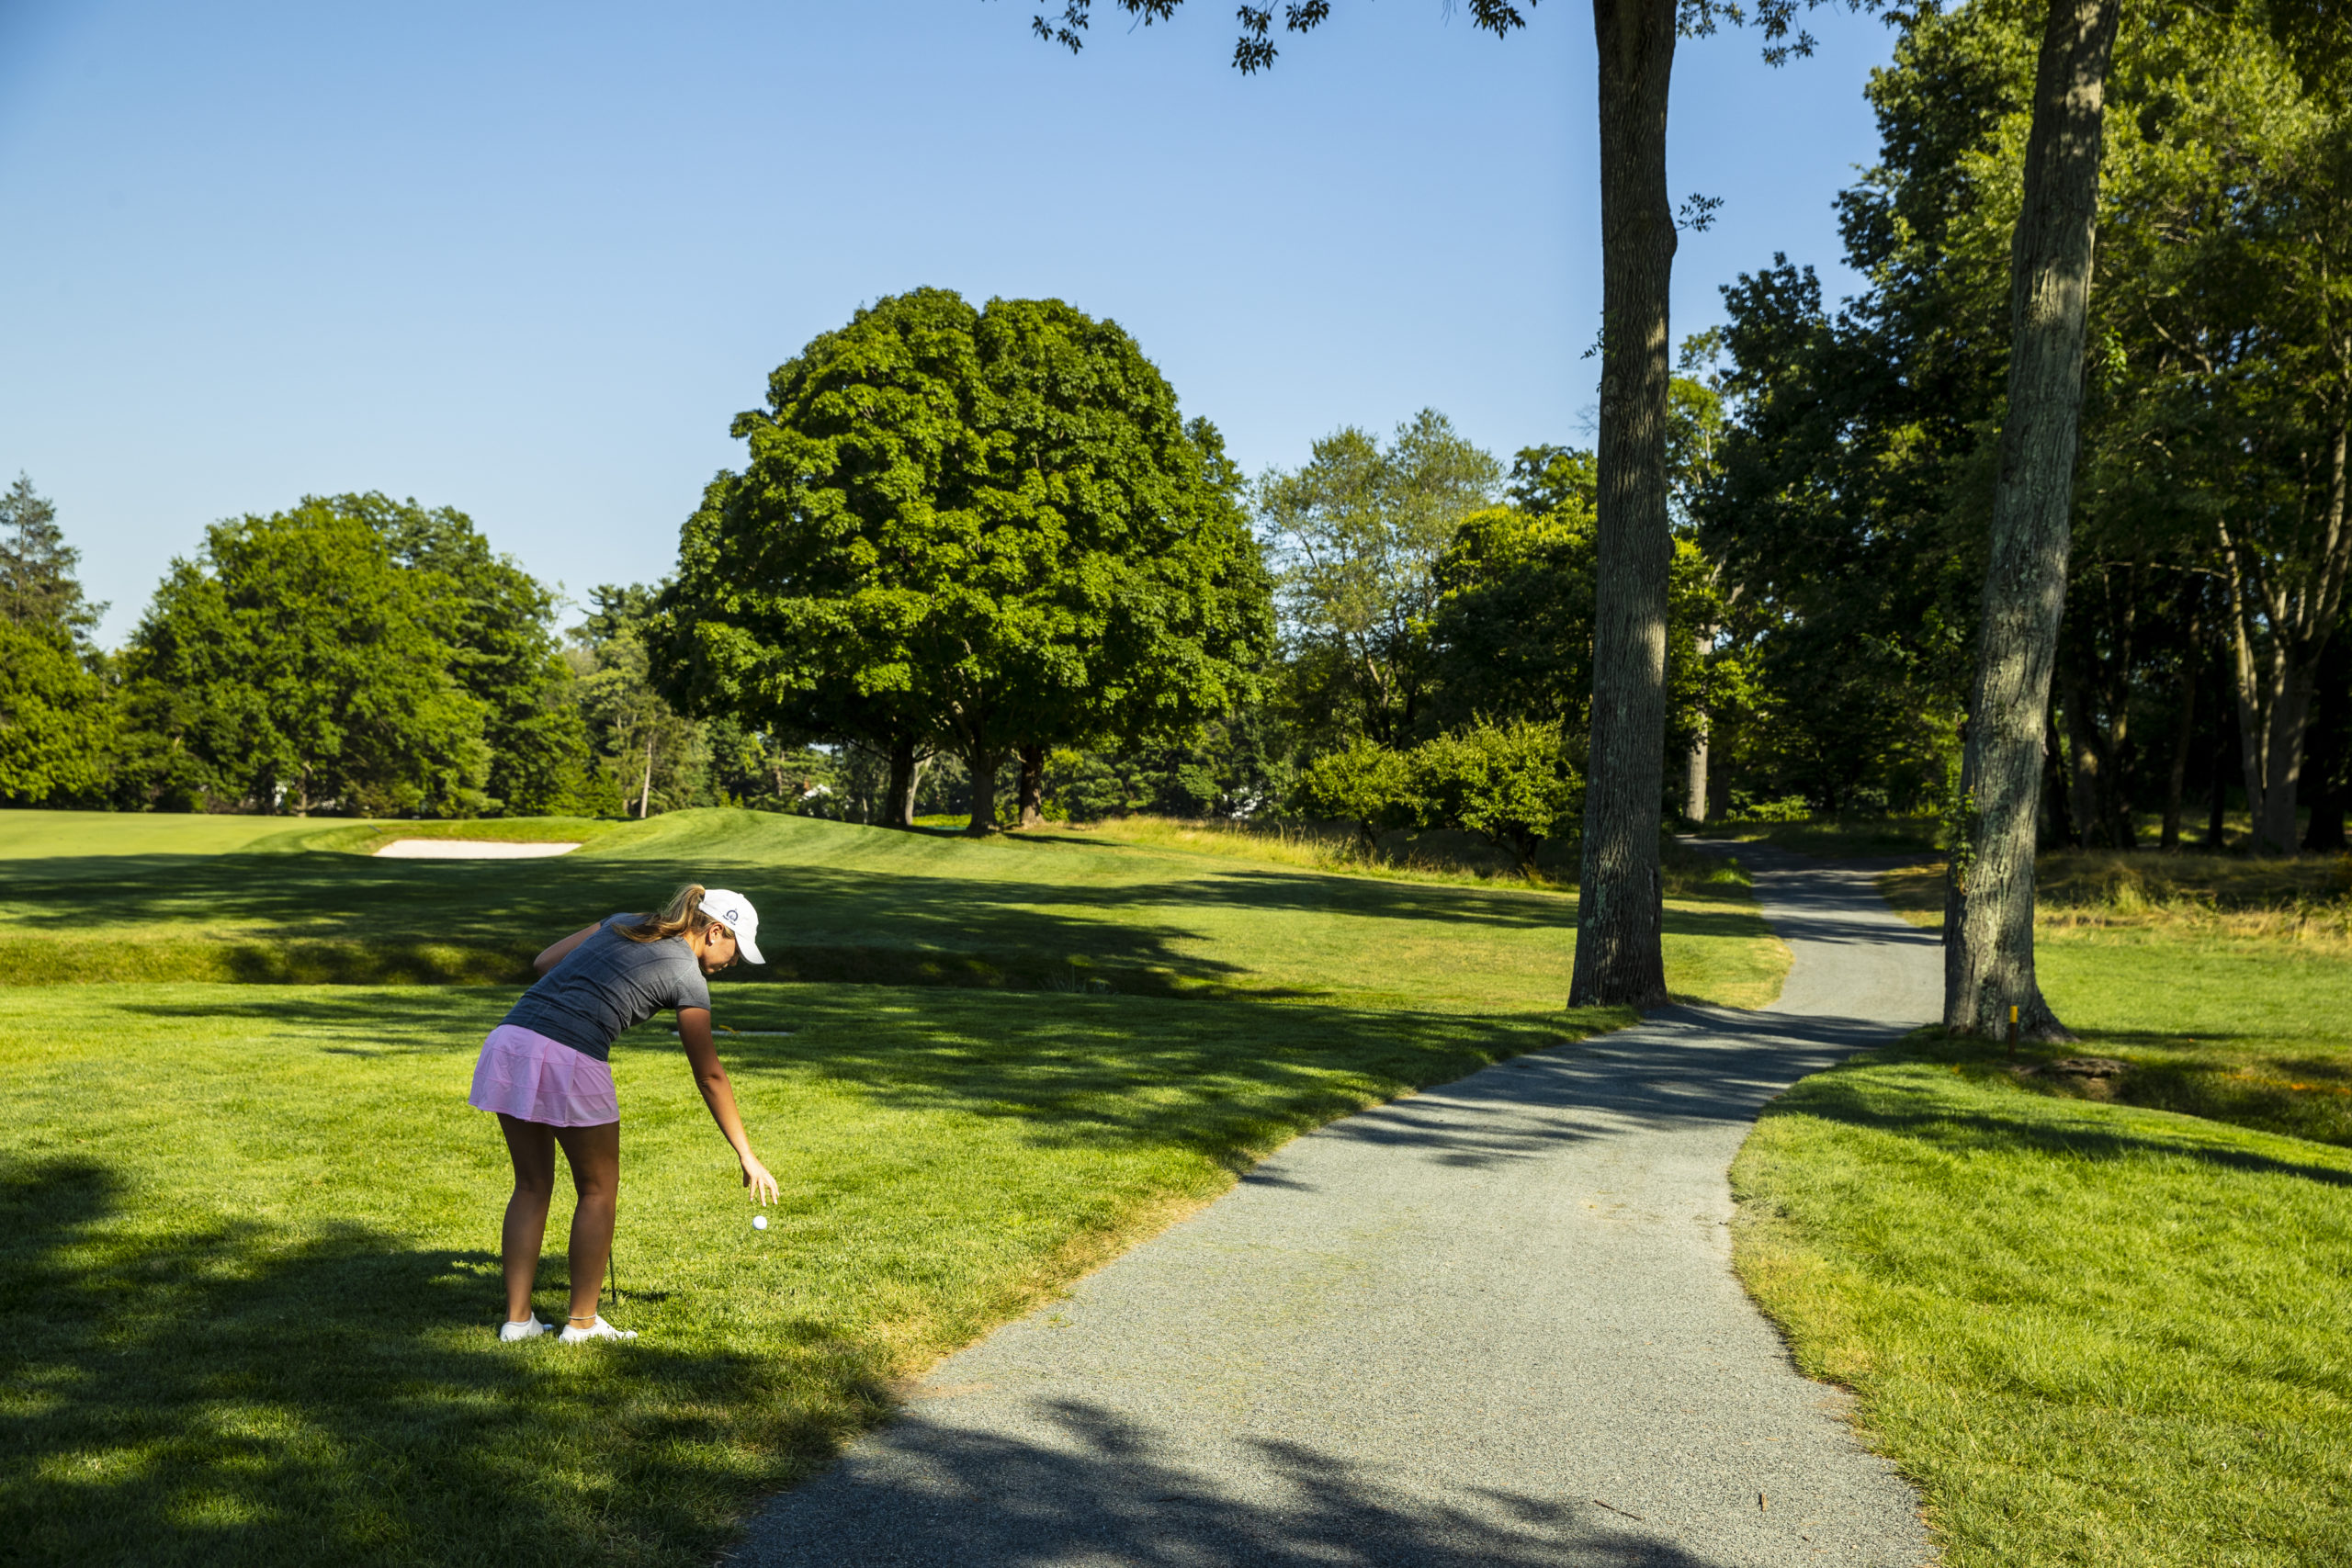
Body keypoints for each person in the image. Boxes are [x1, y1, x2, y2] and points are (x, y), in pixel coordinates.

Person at [469, 883, 783, 1342]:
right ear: (716, 931)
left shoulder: (624, 923)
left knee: (532, 1184)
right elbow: (710, 1074)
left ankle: (518, 1323)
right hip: (570, 1056)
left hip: (510, 1040)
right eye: (736, 950)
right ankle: (582, 1324)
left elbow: (543, 963)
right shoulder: (688, 979)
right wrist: (747, 1154)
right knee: (598, 1190)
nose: (734, 963)